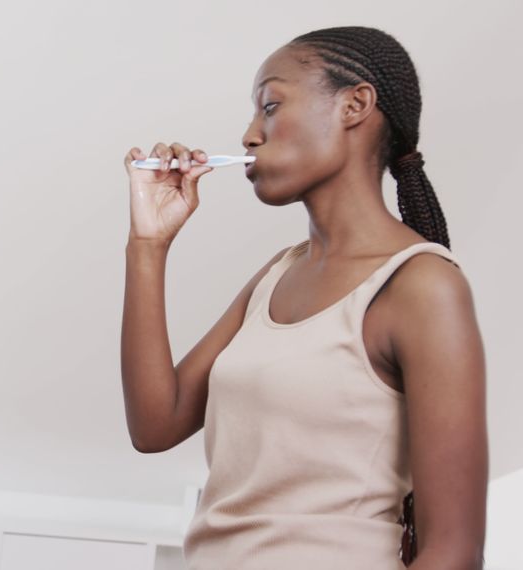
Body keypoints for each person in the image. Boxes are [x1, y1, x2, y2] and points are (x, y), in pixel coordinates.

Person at [120, 27, 486, 569]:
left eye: (270, 105)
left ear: (355, 104)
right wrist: (148, 245)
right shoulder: (278, 274)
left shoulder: (422, 286)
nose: (249, 134)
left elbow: (452, 552)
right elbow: (155, 424)